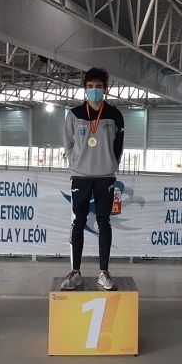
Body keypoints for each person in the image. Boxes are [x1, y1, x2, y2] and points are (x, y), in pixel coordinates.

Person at [62, 67, 124, 291]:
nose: (94, 90)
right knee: (78, 222)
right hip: (80, 177)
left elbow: (118, 146)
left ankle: (103, 272)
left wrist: (111, 165)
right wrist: (76, 163)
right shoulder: (74, 114)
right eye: (90, 87)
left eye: (98, 86)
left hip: (105, 176)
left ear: (105, 89)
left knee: (104, 222)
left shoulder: (115, 115)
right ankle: (75, 271)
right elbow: (68, 144)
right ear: (84, 88)